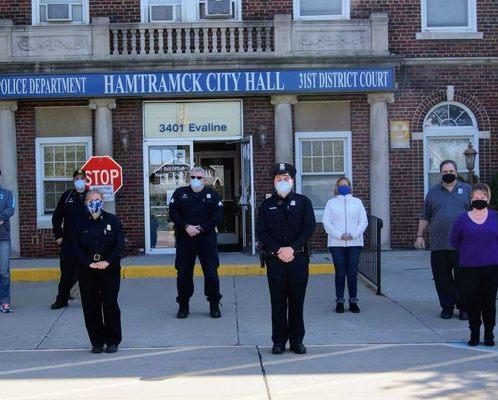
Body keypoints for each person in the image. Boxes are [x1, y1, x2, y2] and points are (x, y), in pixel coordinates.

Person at [256, 162, 316, 355]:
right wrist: (279, 250)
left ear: (292, 180)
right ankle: (279, 341)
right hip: (275, 260)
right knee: (278, 302)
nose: (283, 181)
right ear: (274, 182)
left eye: (286, 179)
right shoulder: (266, 205)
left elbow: (309, 228)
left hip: (298, 259)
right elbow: (262, 232)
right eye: (279, 179)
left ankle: (297, 341)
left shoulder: (303, 202)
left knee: (297, 302)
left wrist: (292, 248)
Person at [415, 160, 471, 320]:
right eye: (445, 171)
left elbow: (476, 214)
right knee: (442, 279)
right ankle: (447, 307)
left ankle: (464, 308)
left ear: (456, 171)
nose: (448, 174)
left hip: (462, 245)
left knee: (463, 279)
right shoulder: (433, 193)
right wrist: (420, 235)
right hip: (439, 244)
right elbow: (425, 216)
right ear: (441, 173)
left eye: (451, 171)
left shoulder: (467, 190)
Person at [72, 189, 124, 354]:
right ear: (86, 203)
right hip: (88, 270)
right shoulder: (79, 222)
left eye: (97, 199)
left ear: (102, 201)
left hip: (110, 268)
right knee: (91, 306)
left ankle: (112, 341)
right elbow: (76, 246)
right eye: (91, 200)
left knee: (109, 304)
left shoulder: (113, 220)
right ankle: (97, 342)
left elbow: (119, 244)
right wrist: (89, 263)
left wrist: (107, 261)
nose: (94, 202)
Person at [169, 166, 224, 319]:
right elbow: (173, 213)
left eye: (199, 178)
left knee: (211, 273)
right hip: (185, 240)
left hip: (206, 240)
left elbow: (217, 217)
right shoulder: (180, 193)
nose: (196, 180)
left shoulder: (212, 195)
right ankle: (183, 305)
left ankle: (214, 304)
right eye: (193, 177)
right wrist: (186, 226)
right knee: (183, 274)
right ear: (189, 178)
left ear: (204, 180)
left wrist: (200, 228)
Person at [450, 183, 498, 347]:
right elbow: (455, 240)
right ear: (471, 200)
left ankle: (489, 334)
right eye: (476, 197)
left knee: (489, 302)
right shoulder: (462, 219)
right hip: (469, 268)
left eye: (482, 197)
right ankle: (475, 334)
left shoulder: (495, 217)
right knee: (472, 302)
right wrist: (469, 252)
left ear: (488, 199)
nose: (479, 200)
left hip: (491, 267)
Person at [322, 176, 368, 314]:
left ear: (350, 187)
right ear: (337, 188)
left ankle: (353, 301)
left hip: (354, 243)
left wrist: (353, 234)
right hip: (336, 243)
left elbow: (363, 221)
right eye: (341, 185)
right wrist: (340, 234)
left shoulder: (357, 202)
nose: (344, 187)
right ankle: (340, 301)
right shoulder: (331, 203)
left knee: (352, 273)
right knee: (340, 272)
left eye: (346, 185)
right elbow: (326, 222)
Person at [51, 169, 88, 310]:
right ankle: (62, 299)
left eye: (82, 178)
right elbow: (57, 217)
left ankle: (89, 301)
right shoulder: (67, 196)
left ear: (86, 180)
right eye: (77, 178)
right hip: (69, 242)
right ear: (73, 181)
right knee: (66, 272)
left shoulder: (91, 195)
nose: (80, 180)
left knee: (87, 274)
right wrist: (58, 235)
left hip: (86, 243)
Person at [0, 169, 15, 313]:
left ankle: (5, 301)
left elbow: (10, 209)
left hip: (3, 238)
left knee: (4, 271)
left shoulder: (7, 194)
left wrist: (1, 217)